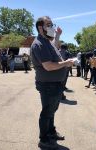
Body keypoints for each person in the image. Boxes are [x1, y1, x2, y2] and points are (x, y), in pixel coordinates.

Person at [31, 16, 74, 149]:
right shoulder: (39, 44)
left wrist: (58, 35)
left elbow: (54, 47)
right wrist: (66, 63)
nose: (52, 27)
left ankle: (51, 132)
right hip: (48, 85)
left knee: (51, 110)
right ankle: (44, 139)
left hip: (54, 84)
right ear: (40, 27)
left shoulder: (46, 42)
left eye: (52, 25)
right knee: (47, 111)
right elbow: (48, 66)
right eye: (48, 25)